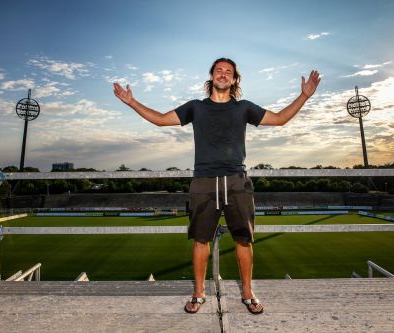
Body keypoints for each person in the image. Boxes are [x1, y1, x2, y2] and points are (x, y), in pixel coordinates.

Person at [113, 58, 320, 315]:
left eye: (228, 72)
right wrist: (131, 102)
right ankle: (198, 294)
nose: (223, 74)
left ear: (234, 80)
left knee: (244, 241)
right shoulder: (195, 108)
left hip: (237, 182)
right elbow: (160, 119)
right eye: (219, 70)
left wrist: (304, 96)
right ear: (211, 76)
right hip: (204, 182)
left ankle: (248, 292)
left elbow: (279, 119)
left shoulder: (244, 108)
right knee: (201, 241)